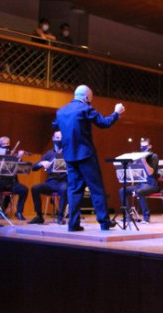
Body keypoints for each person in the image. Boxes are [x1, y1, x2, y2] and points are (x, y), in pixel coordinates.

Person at [53, 85, 125, 232]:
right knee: (96, 189)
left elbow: (54, 126)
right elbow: (104, 123)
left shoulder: (61, 111)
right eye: (90, 99)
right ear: (86, 98)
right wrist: (116, 113)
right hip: (86, 155)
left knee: (74, 190)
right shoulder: (85, 109)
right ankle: (104, 223)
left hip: (69, 156)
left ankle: (72, 224)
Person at [0, 136, 29, 221]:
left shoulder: (12, 156)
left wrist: (19, 158)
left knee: (24, 189)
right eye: (4, 144)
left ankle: (19, 212)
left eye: (8, 144)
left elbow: (21, 168)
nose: (6, 146)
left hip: (11, 183)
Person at [29, 131, 68, 224]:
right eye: (57, 138)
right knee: (35, 188)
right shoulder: (49, 154)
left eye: (61, 138)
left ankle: (60, 216)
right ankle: (39, 216)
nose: (60, 140)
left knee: (65, 189)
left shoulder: (67, 152)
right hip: (50, 182)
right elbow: (34, 168)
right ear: (53, 139)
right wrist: (41, 163)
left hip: (63, 181)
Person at [118, 138, 160, 223]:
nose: (143, 148)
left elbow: (151, 173)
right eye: (142, 146)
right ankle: (128, 216)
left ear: (150, 146)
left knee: (139, 191)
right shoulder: (139, 156)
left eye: (145, 146)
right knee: (122, 190)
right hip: (141, 184)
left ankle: (146, 217)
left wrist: (143, 161)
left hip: (151, 184)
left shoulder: (154, 157)